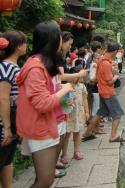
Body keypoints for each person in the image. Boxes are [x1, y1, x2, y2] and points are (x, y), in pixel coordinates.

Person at [16, 22, 74, 188]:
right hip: (40, 126)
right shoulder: (36, 67)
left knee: (44, 179)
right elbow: (42, 103)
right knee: (45, 180)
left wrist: (61, 93)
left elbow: (46, 93)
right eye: (59, 37)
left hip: (47, 123)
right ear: (53, 40)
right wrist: (66, 89)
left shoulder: (41, 63)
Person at [82, 41, 125, 143]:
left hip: (102, 91)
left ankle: (87, 133)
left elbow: (97, 77)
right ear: (114, 51)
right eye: (117, 52)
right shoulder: (106, 63)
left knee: (100, 113)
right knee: (118, 114)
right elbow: (110, 82)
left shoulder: (101, 60)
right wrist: (116, 76)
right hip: (108, 92)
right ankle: (113, 136)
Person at [0, 31, 27, 188]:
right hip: (5, 123)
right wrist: (7, 127)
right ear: (18, 47)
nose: (26, 46)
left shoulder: (11, 66)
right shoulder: (7, 67)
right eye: (24, 42)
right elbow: (3, 98)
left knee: (7, 159)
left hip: (11, 120)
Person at [60, 66, 89, 162]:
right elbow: (63, 102)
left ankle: (76, 151)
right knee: (67, 134)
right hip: (69, 114)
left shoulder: (82, 86)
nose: (79, 78)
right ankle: (64, 154)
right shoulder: (66, 86)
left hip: (79, 114)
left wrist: (86, 111)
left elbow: (85, 99)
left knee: (77, 132)